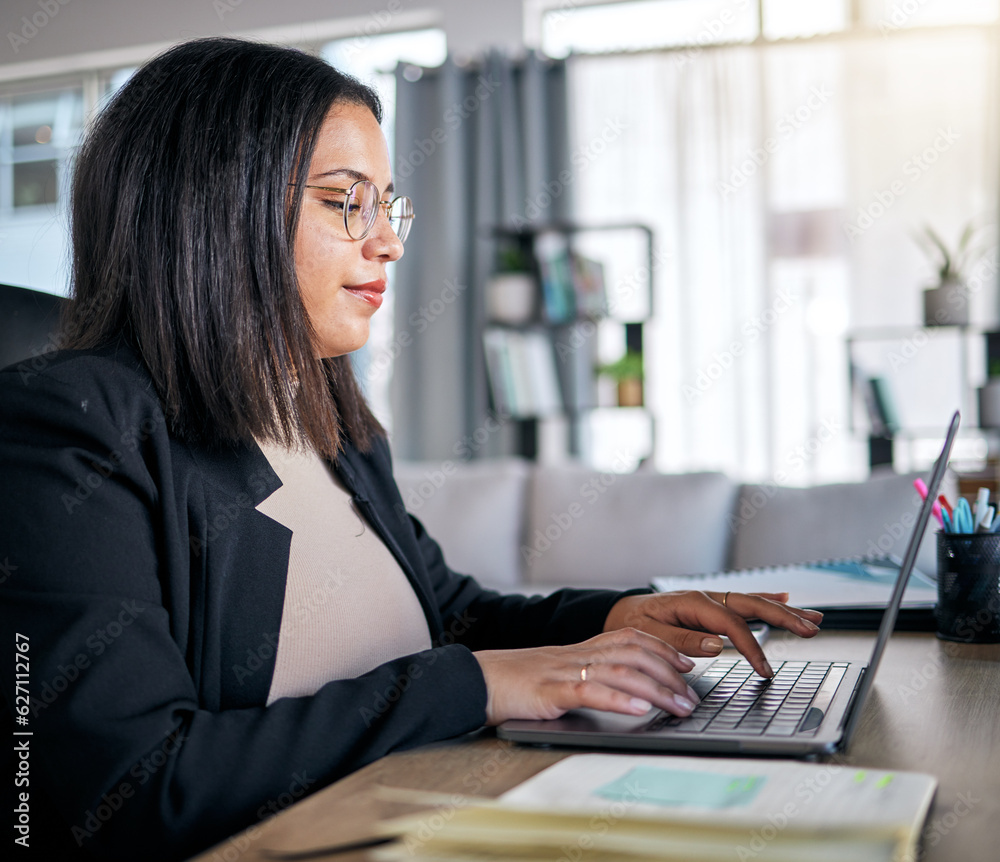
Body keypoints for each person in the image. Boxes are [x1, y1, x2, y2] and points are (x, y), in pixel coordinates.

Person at [0, 38, 823, 862]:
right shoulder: (73, 429)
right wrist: (478, 685)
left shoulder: (336, 424)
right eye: (343, 201)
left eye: (388, 206)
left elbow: (446, 612)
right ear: (213, 205)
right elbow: (127, 790)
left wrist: (612, 616)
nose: (388, 243)